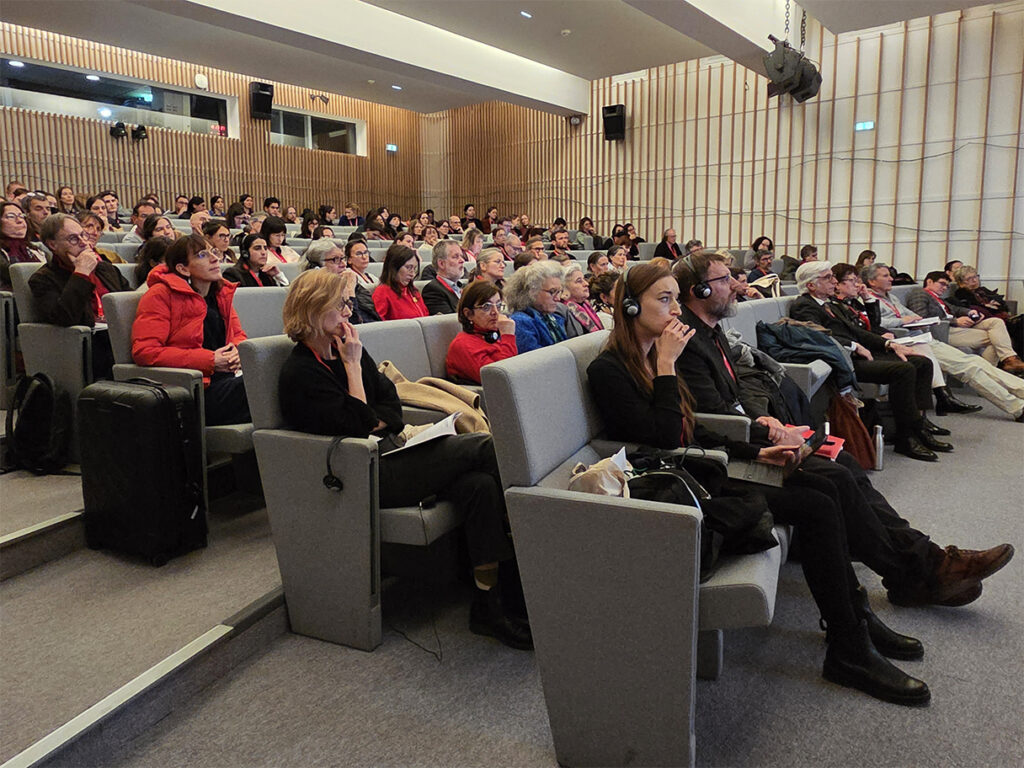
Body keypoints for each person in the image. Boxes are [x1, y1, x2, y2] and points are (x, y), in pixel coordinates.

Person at [586, 260, 940, 706]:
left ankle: (855, 621)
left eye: (678, 297)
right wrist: (667, 368)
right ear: (631, 306)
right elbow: (664, 436)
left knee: (826, 487)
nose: (676, 309)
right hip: (683, 483)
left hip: (705, 462)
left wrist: (757, 451)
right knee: (818, 502)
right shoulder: (613, 369)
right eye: (664, 299)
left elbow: (695, 427)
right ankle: (849, 644)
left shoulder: (655, 355)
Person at [278, 269, 530, 648]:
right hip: (362, 473)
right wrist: (351, 368)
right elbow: (360, 425)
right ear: (313, 310)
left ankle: (488, 603)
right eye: (340, 305)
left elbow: (391, 407)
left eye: (348, 304)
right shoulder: (303, 371)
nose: (348, 313)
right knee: (484, 446)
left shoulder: (348, 349)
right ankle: (530, 572)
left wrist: (372, 410)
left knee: (478, 486)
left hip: (392, 453)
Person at [789, 260, 949, 461]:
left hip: (857, 353)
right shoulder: (804, 306)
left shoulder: (828, 304)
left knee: (921, 362)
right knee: (904, 370)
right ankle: (905, 437)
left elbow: (857, 331)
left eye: (833, 276)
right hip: (842, 362)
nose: (833, 281)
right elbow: (819, 337)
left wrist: (888, 345)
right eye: (827, 278)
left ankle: (919, 425)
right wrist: (855, 346)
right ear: (811, 285)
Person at [845, 264, 1023, 420]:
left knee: (975, 361)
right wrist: (903, 321)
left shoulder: (891, 297)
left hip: (921, 336)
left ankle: (1021, 390)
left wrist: (913, 319)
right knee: (969, 368)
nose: (891, 278)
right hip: (906, 342)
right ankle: (1016, 408)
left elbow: (911, 314)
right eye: (885, 276)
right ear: (872, 281)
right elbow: (872, 324)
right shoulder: (866, 299)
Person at [132, 234, 250, 425]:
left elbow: (238, 335)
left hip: (228, 379)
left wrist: (237, 351)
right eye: (202, 255)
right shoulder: (160, 295)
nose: (214, 258)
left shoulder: (219, 294)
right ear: (182, 268)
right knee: (264, 385)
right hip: (194, 390)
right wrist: (210, 360)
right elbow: (145, 351)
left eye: (213, 251)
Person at [30, 213, 130, 378]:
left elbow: (126, 302)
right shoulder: (43, 279)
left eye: (83, 235)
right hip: (89, 342)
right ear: (52, 245)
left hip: (120, 334)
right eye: (73, 239)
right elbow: (64, 317)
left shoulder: (106, 269)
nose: (84, 242)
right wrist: (82, 273)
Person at [906, 271, 1024, 383]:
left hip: (955, 327)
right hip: (942, 330)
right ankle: (988, 377)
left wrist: (971, 312)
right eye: (942, 284)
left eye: (947, 285)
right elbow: (921, 318)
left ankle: (1008, 359)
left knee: (996, 322)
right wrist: (955, 321)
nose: (945, 288)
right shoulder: (919, 293)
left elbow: (956, 309)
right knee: (995, 339)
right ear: (929, 282)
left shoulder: (938, 298)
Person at [445, 280, 517, 384]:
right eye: (486, 307)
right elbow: (500, 381)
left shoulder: (491, 336)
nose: (495, 312)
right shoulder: (463, 345)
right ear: (469, 314)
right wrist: (508, 337)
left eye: (498, 305)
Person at [504, 260, 568, 353]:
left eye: (559, 292)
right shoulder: (520, 322)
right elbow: (537, 362)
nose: (558, 298)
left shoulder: (553, 318)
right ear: (531, 292)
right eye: (552, 292)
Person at [372, 244, 428, 320]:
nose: (413, 274)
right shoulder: (382, 292)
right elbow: (378, 326)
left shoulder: (413, 291)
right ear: (394, 267)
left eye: (414, 268)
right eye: (408, 267)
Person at [1, 202, 47, 291]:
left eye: (21, 216)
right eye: (11, 216)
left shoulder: (36, 250)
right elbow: (12, 275)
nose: (20, 220)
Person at [222, 234, 288, 287]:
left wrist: (279, 275)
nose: (263, 252)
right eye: (257, 248)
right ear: (245, 253)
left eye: (265, 248)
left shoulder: (266, 274)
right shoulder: (232, 274)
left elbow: (284, 297)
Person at [422, 240, 465, 315]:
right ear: (441, 263)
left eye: (461, 256)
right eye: (455, 257)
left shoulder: (463, 287)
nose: (462, 260)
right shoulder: (433, 291)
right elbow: (449, 323)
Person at [561, 263, 604, 333]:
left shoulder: (586, 305)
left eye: (584, 279)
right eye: (579, 281)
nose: (586, 284)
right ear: (565, 287)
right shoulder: (564, 312)